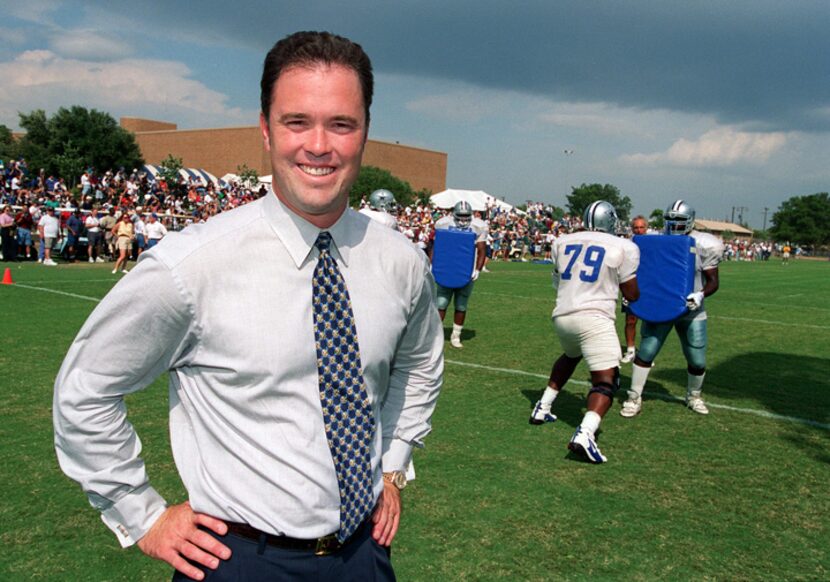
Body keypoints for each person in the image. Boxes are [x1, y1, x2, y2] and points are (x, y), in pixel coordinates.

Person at [54, 31, 443, 582]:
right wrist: (140, 514)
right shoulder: (191, 266)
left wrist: (393, 464)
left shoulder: (399, 260)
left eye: (341, 124)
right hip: (239, 559)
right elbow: (84, 389)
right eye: (297, 122)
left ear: (364, 134)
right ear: (265, 129)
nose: (319, 145)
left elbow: (421, 363)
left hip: (363, 555)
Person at [529, 201, 639, 463]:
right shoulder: (624, 246)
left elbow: (557, 280)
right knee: (606, 381)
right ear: (610, 221)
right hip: (594, 318)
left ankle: (542, 407)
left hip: (563, 314)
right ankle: (586, 433)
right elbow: (632, 293)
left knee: (571, 354)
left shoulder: (562, 241)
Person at [620, 200, 723, 418]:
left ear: (690, 221)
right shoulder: (655, 240)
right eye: (671, 221)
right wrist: (634, 298)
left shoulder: (705, 243)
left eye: (680, 221)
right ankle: (634, 397)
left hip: (692, 307)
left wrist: (701, 294)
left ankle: (694, 395)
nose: (675, 226)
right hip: (661, 304)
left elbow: (713, 281)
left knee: (697, 358)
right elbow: (643, 273)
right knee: (646, 351)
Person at [430, 201, 488, 349]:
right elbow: (437, 246)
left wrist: (478, 269)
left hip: (466, 270)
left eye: (466, 216)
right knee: (441, 303)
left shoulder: (478, 225)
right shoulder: (443, 223)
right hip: (446, 268)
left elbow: (482, 249)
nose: (463, 219)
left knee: (461, 305)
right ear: (453, 214)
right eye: (460, 216)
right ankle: (434, 335)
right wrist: (432, 264)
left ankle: (456, 336)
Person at [620, 215, 648, 363]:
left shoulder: (653, 244)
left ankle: (646, 353)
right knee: (630, 319)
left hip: (649, 286)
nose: (639, 230)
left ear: (646, 228)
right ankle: (630, 350)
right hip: (631, 285)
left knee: (650, 320)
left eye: (641, 227)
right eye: (636, 227)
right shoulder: (627, 245)